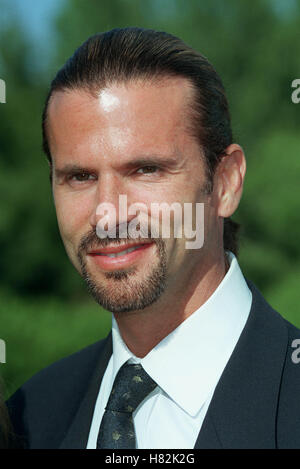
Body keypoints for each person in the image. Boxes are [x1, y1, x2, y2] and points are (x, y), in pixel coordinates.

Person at [7, 27, 300, 449]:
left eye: (146, 169)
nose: (108, 213)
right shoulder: (27, 419)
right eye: (80, 177)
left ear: (226, 183)